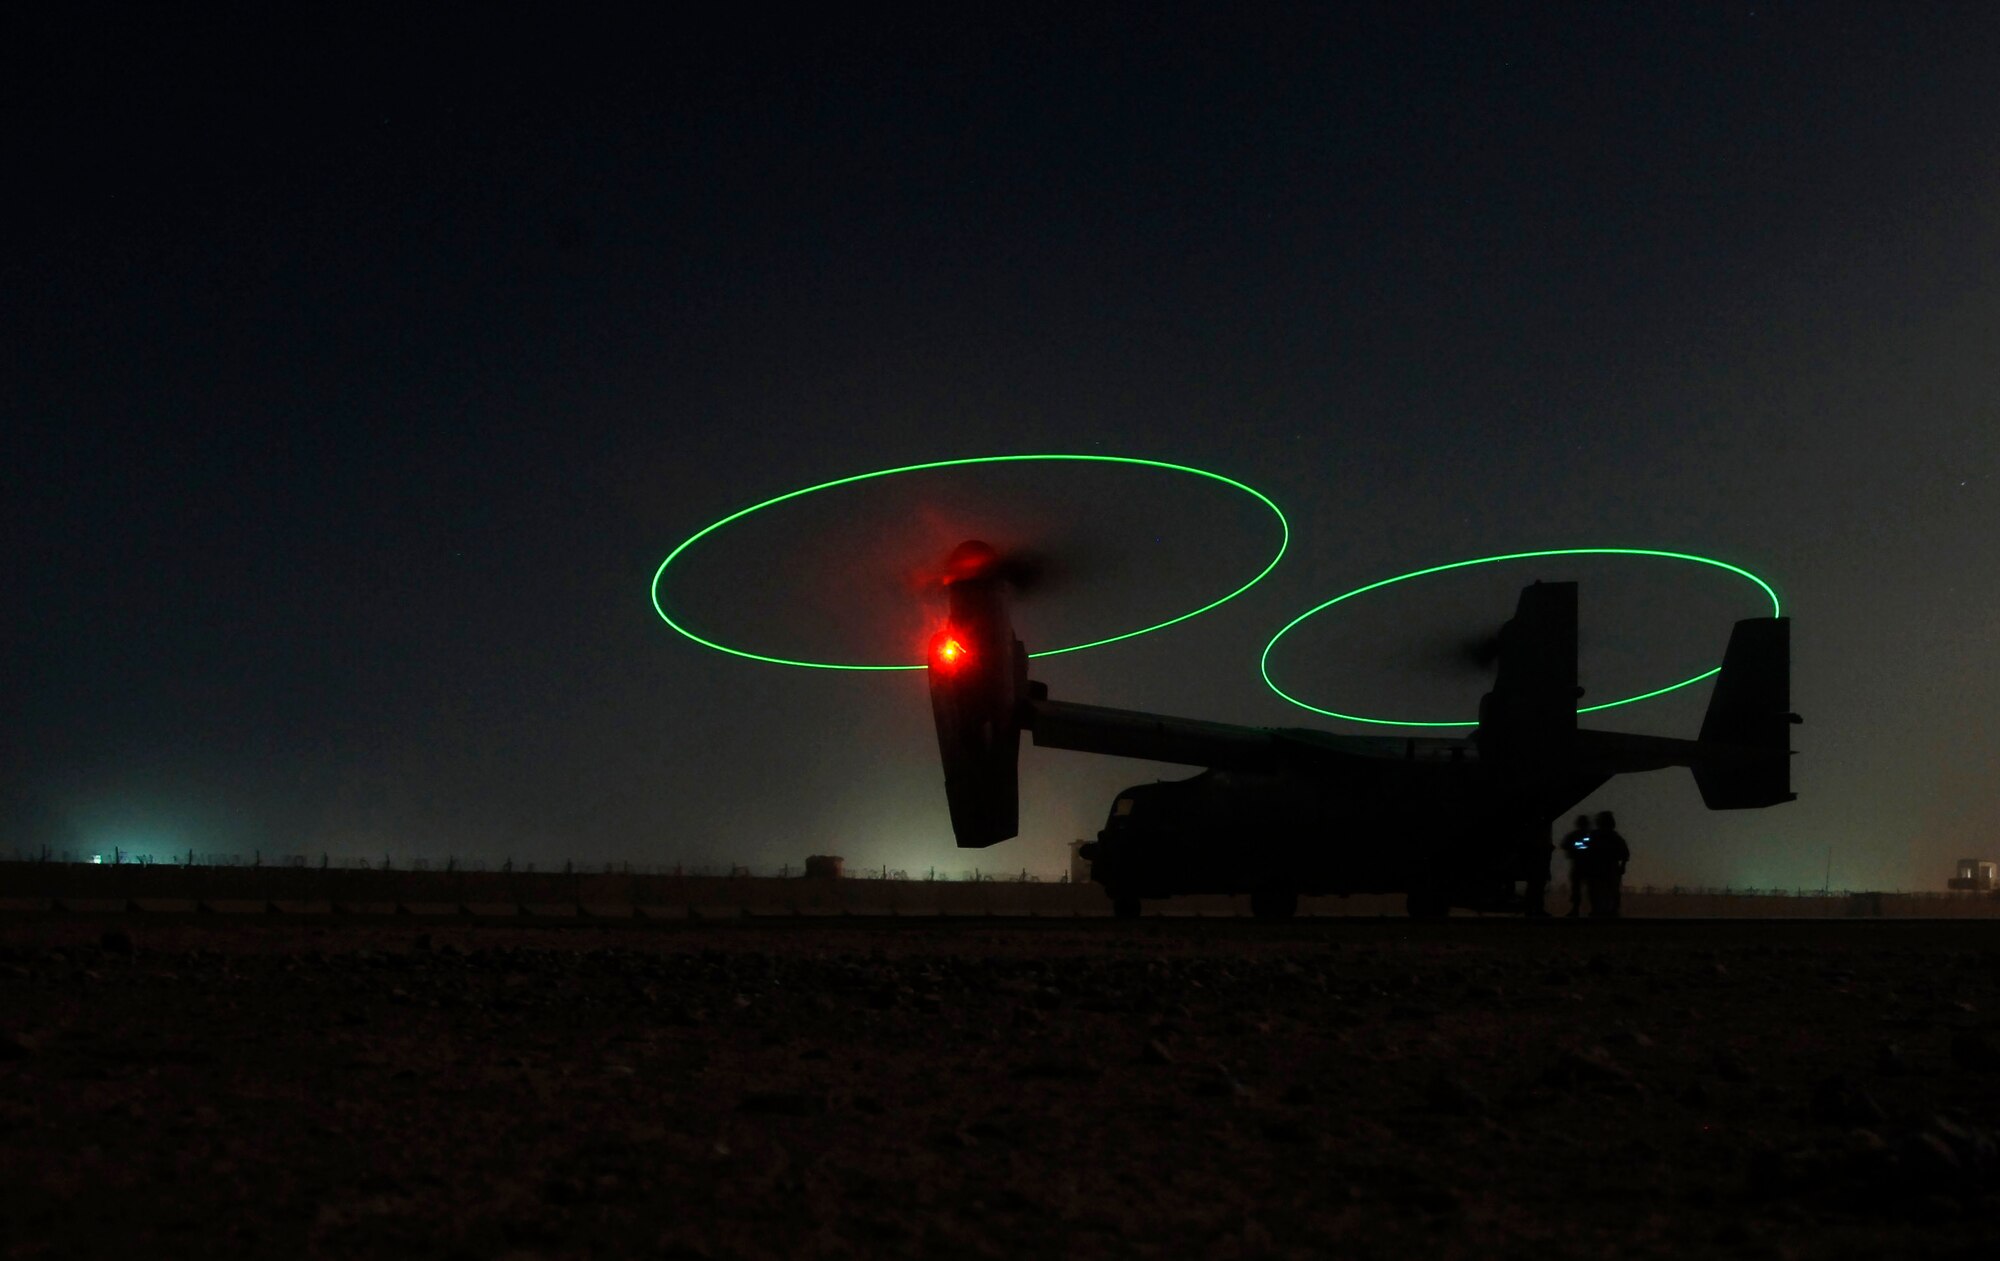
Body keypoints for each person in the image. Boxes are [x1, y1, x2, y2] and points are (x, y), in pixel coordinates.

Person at [1586, 811, 1631, 918]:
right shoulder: (1614, 837)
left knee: (1600, 890)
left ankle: (1601, 910)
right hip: (1606, 868)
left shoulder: (1594, 836)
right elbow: (1625, 854)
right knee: (1608, 891)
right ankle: (1609, 911)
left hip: (1600, 868)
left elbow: (1581, 847)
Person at [1557, 815, 1592, 917]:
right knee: (1581, 888)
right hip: (1585, 865)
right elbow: (1565, 845)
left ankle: (1577, 909)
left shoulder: (1576, 835)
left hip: (1581, 865)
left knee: (1580, 888)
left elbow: (1566, 845)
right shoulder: (1589, 835)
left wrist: (1576, 846)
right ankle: (1584, 909)